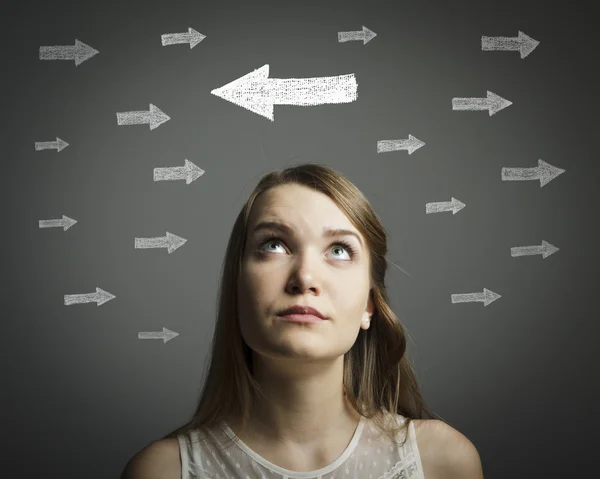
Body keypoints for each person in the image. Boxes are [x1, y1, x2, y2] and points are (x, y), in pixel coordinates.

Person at [121, 162, 484, 478]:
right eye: (274, 245)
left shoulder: (441, 462)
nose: (305, 277)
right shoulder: (163, 472)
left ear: (369, 305)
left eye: (339, 250)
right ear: (237, 286)